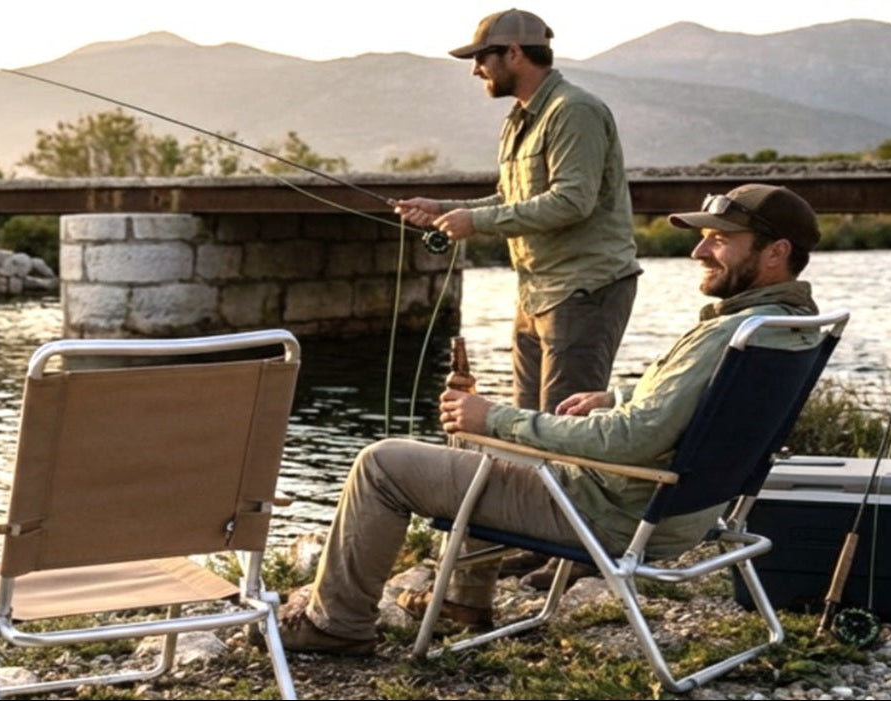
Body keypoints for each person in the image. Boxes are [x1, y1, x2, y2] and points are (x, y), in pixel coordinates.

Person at [281, 183, 825, 655]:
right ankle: (461, 603)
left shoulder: (731, 332)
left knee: (383, 464)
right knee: (474, 437)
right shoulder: (786, 327)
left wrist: (498, 418)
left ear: (775, 252)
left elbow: (632, 441)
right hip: (683, 512)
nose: (699, 251)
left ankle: (336, 626)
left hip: (608, 510)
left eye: (720, 239)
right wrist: (613, 397)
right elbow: (698, 404)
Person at [394, 6, 643, 590]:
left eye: (480, 58)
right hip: (537, 292)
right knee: (527, 428)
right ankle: (543, 543)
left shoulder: (573, 110)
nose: (475, 70)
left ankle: (579, 557)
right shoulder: (519, 119)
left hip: (585, 288)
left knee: (566, 425)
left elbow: (571, 201)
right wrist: (448, 211)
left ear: (513, 54)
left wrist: (475, 225)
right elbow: (511, 197)